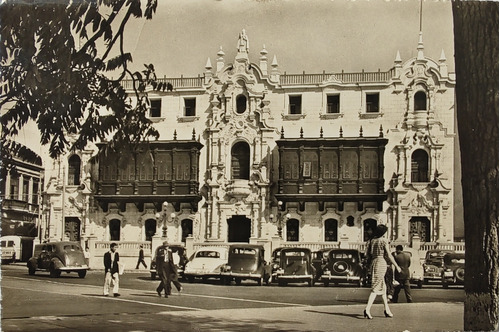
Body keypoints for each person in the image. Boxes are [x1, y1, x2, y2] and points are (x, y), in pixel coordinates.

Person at [363, 224, 401, 319]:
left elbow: (367, 255)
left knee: (383, 288)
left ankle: (387, 310)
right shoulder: (383, 241)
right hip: (381, 263)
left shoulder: (372, 241)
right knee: (376, 287)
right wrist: (396, 266)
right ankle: (367, 309)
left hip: (374, 262)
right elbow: (389, 255)